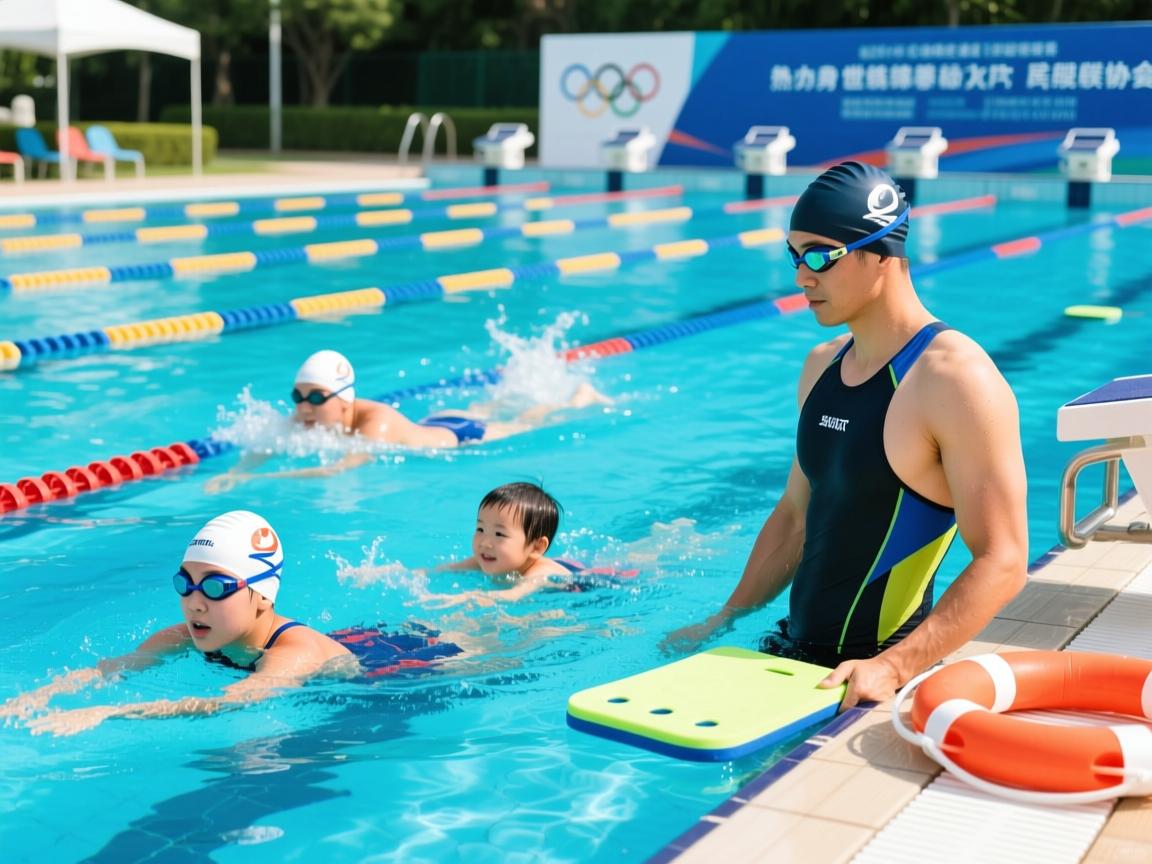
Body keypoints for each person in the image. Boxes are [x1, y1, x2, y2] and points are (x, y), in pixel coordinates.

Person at [661, 161, 1028, 710]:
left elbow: (1003, 559)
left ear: (880, 253)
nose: (801, 277)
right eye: (794, 255)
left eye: (819, 256)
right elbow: (794, 515)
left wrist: (893, 667)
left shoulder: (955, 380)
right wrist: (723, 619)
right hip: (791, 658)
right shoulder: (821, 366)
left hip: (878, 677)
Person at [1, 510, 463, 736]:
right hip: (350, 642)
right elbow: (113, 668)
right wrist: (34, 698)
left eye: (216, 587)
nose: (195, 602)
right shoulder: (185, 635)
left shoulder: (292, 654)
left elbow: (231, 702)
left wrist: (109, 712)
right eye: (185, 583)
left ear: (263, 596)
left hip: (397, 671)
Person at [207, 349, 610, 492]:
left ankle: (578, 397)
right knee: (491, 406)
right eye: (298, 397)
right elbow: (268, 444)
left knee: (529, 422)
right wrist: (237, 470)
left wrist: (256, 480)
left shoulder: (375, 425)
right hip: (433, 420)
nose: (304, 407)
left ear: (344, 399)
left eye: (315, 397)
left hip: (459, 435)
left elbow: (337, 469)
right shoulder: (309, 416)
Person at [420, 482, 591, 608]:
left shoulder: (542, 574)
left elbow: (513, 595)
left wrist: (467, 598)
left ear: (536, 547)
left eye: (499, 534)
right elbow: (446, 569)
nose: (485, 543)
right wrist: (415, 574)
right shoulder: (485, 558)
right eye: (480, 529)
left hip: (584, 588)